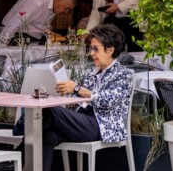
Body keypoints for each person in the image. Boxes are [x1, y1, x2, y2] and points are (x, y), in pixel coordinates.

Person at [47, 24, 133, 171]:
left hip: (102, 125)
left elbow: (108, 100)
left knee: (50, 112)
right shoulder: (92, 73)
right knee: (47, 136)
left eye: (95, 49)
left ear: (110, 50)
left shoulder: (124, 74)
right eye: (90, 48)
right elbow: (82, 99)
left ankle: (21, 128)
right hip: (83, 120)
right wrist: (69, 92)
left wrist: (77, 89)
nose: (91, 53)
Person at [0, 0, 77, 44]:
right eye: (67, 8)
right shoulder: (37, 1)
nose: (66, 12)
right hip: (14, 35)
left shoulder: (53, 7)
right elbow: (16, 22)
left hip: (30, 37)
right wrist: (2, 45)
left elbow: (38, 25)